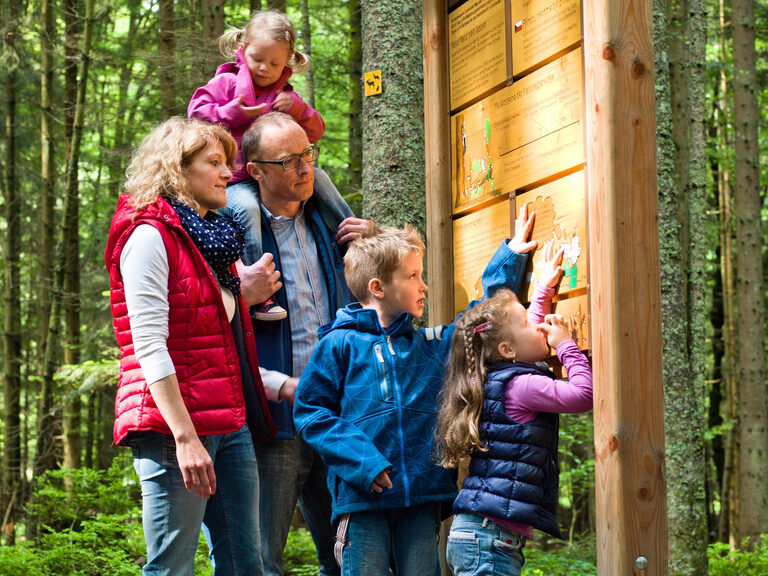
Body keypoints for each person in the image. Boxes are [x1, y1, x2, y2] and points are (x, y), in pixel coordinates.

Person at [292, 213, 538, 576]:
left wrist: (512, 255)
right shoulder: (338, 344)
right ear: (378, 287)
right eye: (413, 276)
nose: (423, 286)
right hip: (362, 499)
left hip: (421, 499)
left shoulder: (427, 345)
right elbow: (311, 412)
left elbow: (479, 319)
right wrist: (364, 463)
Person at [104, 117, 275, 576]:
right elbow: (149, 347)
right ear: (178, 171)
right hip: (169, 428)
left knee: (246, 565)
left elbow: (208, 325)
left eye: (228, 163)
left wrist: (242, 293)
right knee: (172, 567)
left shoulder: (211, 242)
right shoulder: (147, 236)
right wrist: (185, 438)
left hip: (225, 420)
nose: (228, 174)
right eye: (214, 163)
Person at [219, 112, 369, 576]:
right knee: (260, 559)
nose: (305, 168)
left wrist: (372, 246)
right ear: (256, 171)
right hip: (275, 421)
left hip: (341, 415)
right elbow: (204, 325)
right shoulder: (228, 238)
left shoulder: (331, 226)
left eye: (308, 155)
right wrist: (242, 295)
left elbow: (384, 299)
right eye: (289, 160)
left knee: (351, 557)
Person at [435, 241, 594, 576]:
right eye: (528, 322)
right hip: (490, 539)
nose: (539, 327)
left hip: (478, 532)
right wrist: (566, 344)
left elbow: (525, 341)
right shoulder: (521, 386)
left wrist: (542, 290)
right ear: (506, 349)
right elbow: (583, 393)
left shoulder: (498, 374)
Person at [188, 9, 325, 320]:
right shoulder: (227, 82)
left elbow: (315, 130)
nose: (265, 68)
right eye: (257, 58)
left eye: (275, 63)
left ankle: (361, 242)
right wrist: (232, 113)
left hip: (275, 176)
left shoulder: (286, 95)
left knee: (321, 182)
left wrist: (299, 109)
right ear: (242, 49)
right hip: (234, 179)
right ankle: (256, 288)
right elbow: (196, 113)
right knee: (247, 210)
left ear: (288, 62)